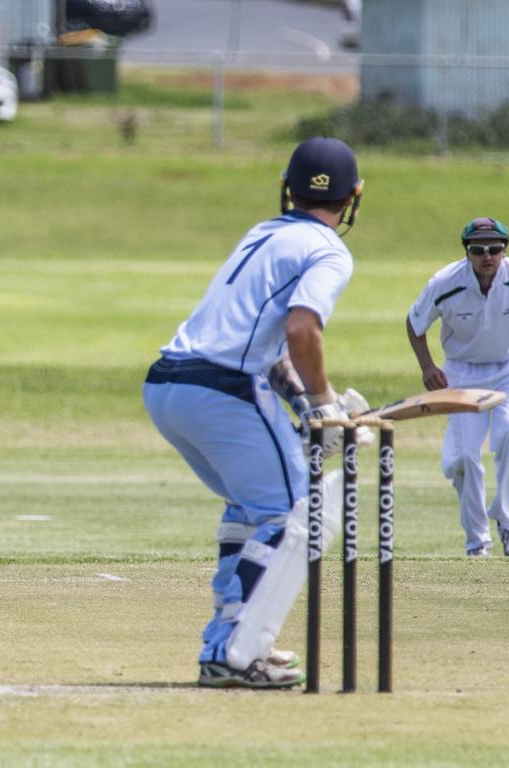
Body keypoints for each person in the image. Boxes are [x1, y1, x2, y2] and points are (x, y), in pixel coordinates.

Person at [142, 137, 365, 689]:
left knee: (252, 509)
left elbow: (271, 351)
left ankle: (226, 642)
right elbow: (301, 329)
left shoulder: (262, 233)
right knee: (295, 513)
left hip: (170, 384)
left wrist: (313, 409)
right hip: (223, 388)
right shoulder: (329, 250)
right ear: (354, 197)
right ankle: (239, 653)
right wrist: (323, 405)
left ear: (287, 189)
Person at [405, 217, 509, 557]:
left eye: (495, 249)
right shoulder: (445, 282)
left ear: (505, 250)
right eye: (478, 250)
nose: (487, 256)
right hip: (462, 372)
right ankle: (478, 541)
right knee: (462, 458)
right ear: (467, 253)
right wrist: (428, 367)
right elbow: (414, 321)